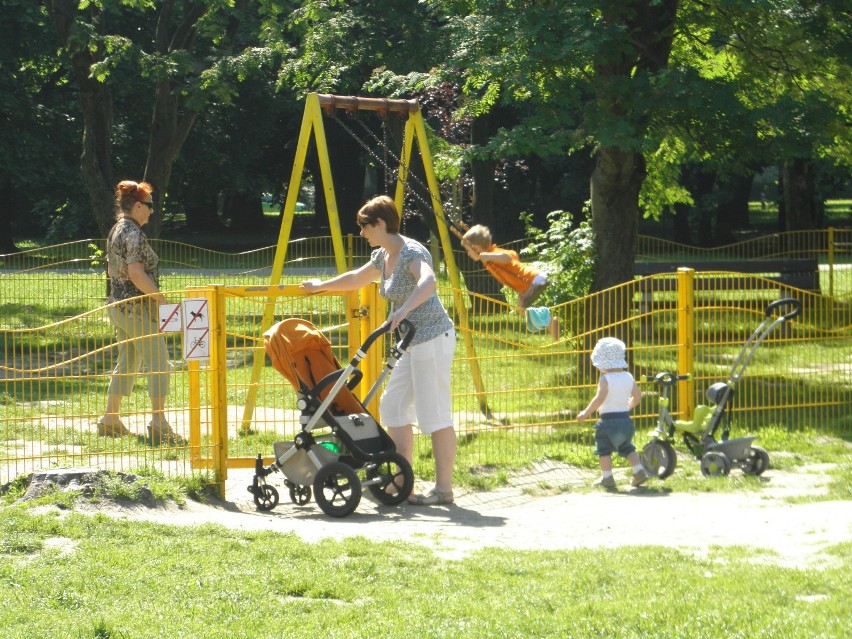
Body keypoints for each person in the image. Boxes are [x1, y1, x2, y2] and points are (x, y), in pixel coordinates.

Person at [300, 195, 457, 505]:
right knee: (393, 408)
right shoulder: (382, 256)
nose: (361, 232)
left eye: (363, 226)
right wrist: (321, 286)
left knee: (434, 414)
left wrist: (403, 310)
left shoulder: (411, 251)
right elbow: (357, 278)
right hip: (409, 342)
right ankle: (403, 483)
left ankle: (444, 489)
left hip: (432, 337)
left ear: (380, 224)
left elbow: (429, 283)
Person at [99, 180, 180, 445]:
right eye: (149, 205)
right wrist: (161, 298)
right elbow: (136, 273)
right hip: (136, 310)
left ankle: (110, 419)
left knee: (128, 360)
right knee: (159, 361)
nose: (152, 211)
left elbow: (116, 271)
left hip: (118, 306)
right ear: (137, 206)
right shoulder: (133, 233)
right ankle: (158, 422)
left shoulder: (117, 229)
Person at [577, 337, 648, 489]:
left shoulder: (605, 379)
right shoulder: (629, 377)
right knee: (628, 447)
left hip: (608, 422)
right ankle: (639, 471)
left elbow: (599, 399)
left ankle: (607, 478)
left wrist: (586, 413)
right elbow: (637, 396)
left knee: (604, 450)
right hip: (625, 420)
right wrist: (628, 406)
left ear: (603, 362)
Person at [461, 224, 549, 310]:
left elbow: (507, 258)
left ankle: (547, 319)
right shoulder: (489, 262)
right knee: (522, 309)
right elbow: (515, 256)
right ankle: (547, 320)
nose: (468, 254)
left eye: (469, 250)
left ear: (477, 248)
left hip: (534, 279)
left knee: (523, 306)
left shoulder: (494, 253)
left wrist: (489, 256)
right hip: (528, 285)